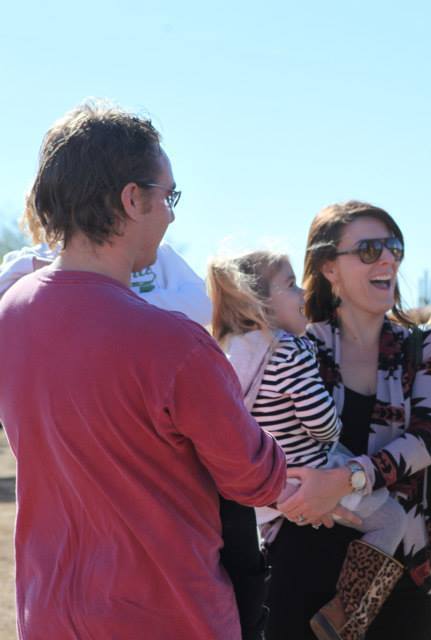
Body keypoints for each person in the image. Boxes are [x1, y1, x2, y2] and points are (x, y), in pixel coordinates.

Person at [0, 101, 307, 639]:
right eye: (168, 197)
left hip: (48, 617)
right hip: (169, 618)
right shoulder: (175, 344)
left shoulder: (10, 315)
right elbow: (255, 478)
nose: (170, 214)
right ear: (132, 199)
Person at [264, 201, 431, 640]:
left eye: (394, 247)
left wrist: (348, 478)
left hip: (395, 573)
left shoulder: (427, 346)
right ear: (329, 267)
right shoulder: (291, 346)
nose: (388, 259)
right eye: (370, 250)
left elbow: (429, 437)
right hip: (298, 563)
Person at [206, 250, 408, 639]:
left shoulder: (228, 350)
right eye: (290, 284)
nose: (302, 292)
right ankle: (348, 614)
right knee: (391, 520)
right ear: (260, 302)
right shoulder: (289, 349)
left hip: (267, 488)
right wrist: (334, 426)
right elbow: (321, 424)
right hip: (311, 472)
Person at [0, 241, 212, 324]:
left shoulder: (158, 254)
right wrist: (31, 265)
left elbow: (205, 305)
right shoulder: (28, 260)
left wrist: (114, 303)